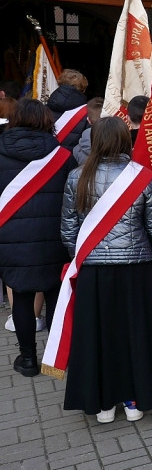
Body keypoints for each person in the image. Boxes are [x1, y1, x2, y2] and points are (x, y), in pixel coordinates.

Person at [60, 117, 152, 422]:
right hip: (135, 269)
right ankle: (134, 400)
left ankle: (103, 403)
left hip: (93, 271)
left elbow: (68, 231)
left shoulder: (77, 177)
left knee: (99, 334)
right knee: (135, 332)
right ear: (125, 139)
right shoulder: (142, 177)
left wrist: (81, 261)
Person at [0, 100, 77, 376]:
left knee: (20, 298)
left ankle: (28, 359)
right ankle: (60, 354)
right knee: (57, 293)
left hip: (10, 240)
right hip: (55, 238)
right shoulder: (64, 156)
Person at [46, 69, 89, 149]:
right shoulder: (87, 113)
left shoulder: (42, 109)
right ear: (83, 89)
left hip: (47, 159)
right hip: (72, 159)